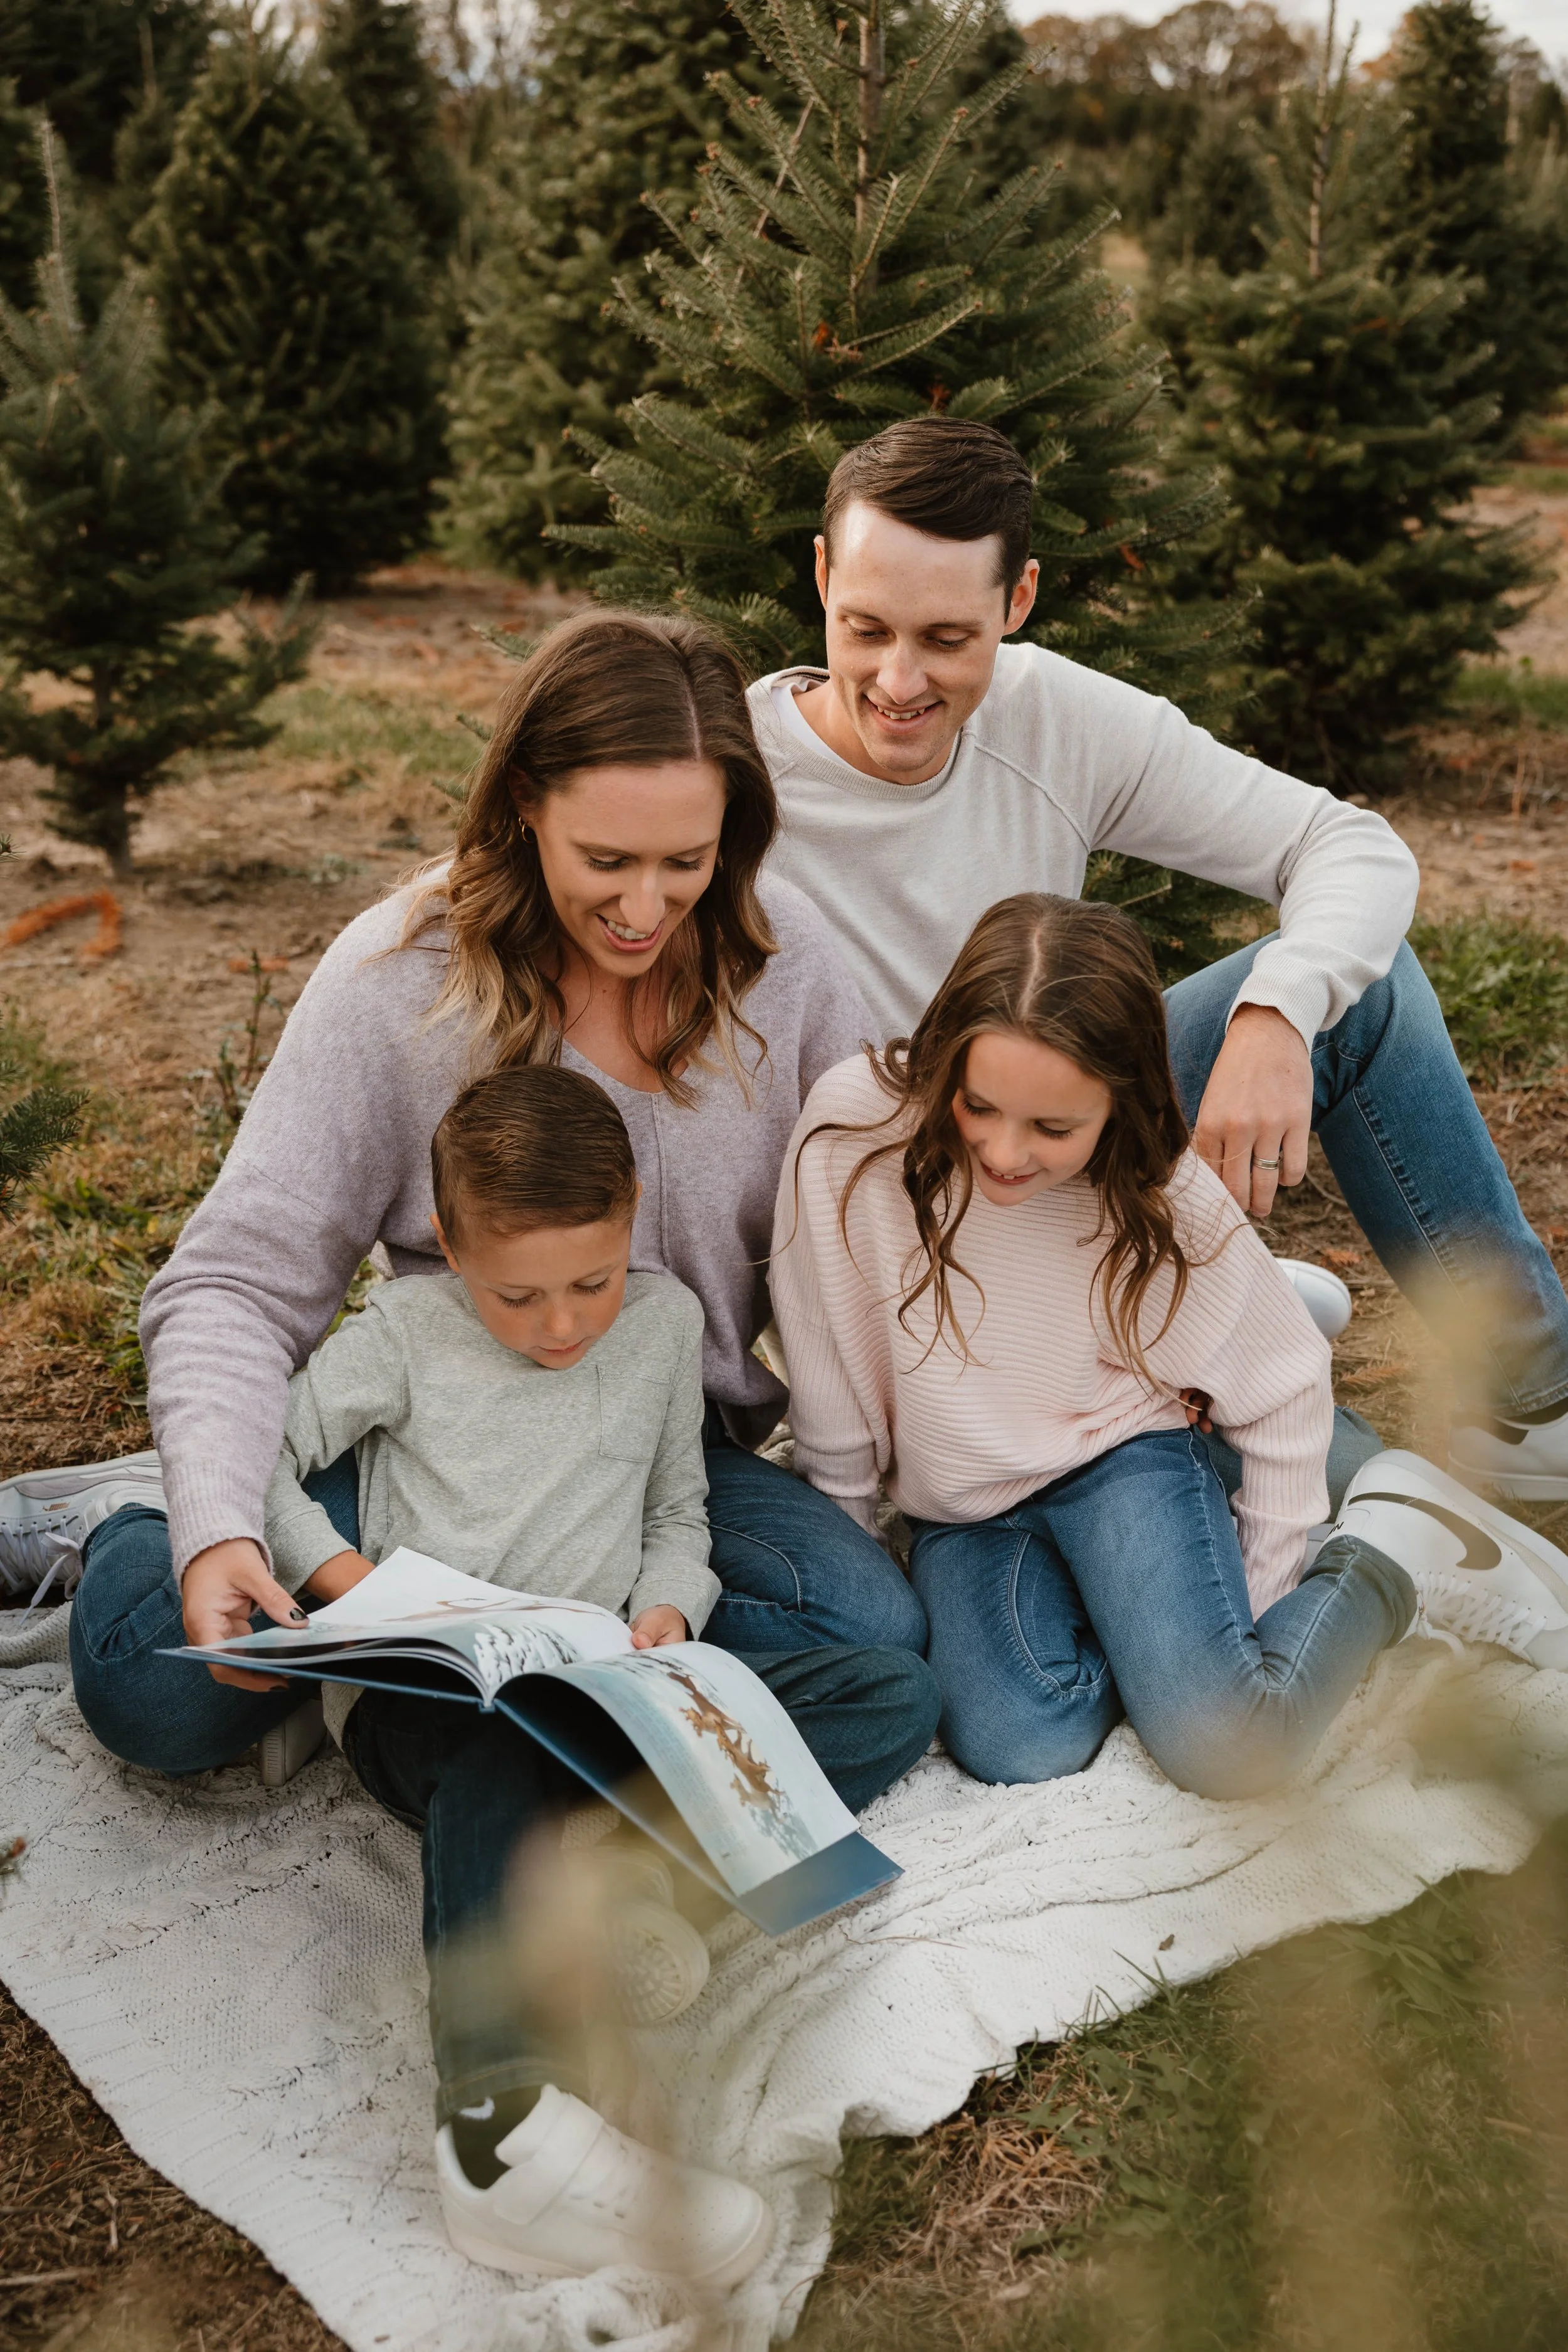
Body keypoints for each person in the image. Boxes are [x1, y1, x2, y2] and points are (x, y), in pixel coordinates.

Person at [40, 609, 936, 1791]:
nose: (644, 908)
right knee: (155, 1686)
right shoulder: (399, 980)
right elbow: (235, 1282)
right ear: (524, 799)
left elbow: (900, 1213)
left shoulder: (790, 964)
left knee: (869, 1630)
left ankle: (492, 1729)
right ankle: (148, 1511)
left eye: (687, 860)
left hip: (649, 1454)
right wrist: (220, 1526)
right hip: (422, 1452)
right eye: (605, 862)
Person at [752, 417, 1568, 1501]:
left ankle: (1532, 1403)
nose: (899, 681)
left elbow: (1347, 844)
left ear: (1019, 599)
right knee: (1354, 1493)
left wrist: (1276, 1015)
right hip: (908, 1247)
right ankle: (1222, 1311)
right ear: (820, 574)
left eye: (948, 640)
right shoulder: (734, 776)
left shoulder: (1054, 718)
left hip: (1064, 1142)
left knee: (1355, 993)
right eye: (865, 628)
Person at [770, 894, 1568, 1794]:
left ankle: (1386, 1558)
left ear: (1117, 1105)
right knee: (1018, 1738)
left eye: (1052, 1128)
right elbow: (827, 1359)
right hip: (966, 1510)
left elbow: (1289, 1382)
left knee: (1233, 1745)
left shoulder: (1156, 1190)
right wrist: (848, 1577)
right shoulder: (849, 1134)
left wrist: (1262, 1617)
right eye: (978, 1104)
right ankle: (1205, 1367)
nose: (1002, 1150)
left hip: (1125, 1453)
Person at [248, 1061, 780, 2281]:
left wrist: (663, 1615)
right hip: (424, 1696)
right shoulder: (407, 1336)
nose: (559, 1326)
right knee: (497, 1749)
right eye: (517, 1294)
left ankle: (597, 1881)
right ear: (450, 1244)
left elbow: (679, 1513)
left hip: (595, 1687)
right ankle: (497, 2134)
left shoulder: (659, 1328)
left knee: (875, 1694)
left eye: (589, 1281)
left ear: (632, 1221)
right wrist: (338, 1581)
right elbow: (264, 1451)